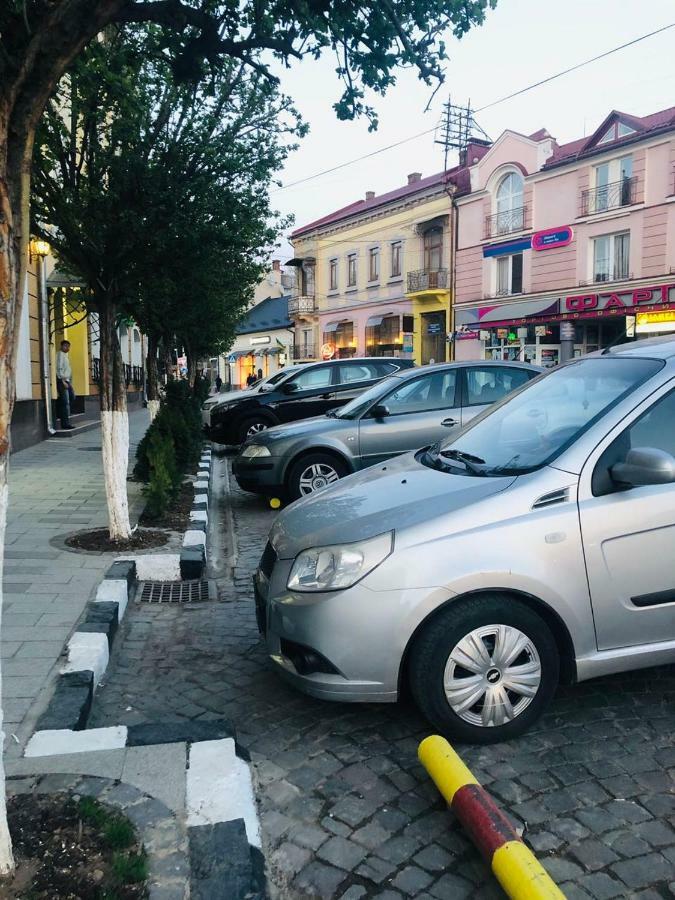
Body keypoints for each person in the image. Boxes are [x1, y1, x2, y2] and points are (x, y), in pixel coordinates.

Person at [56, 339, 75, 430]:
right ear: (61, 346)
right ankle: (65, 423)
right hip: (62, 380)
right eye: (65, 346)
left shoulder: (65, 355)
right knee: (65, 402)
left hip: (66, 380)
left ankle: (60, 412)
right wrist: (62, 380)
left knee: (71, 397)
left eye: (68, 346)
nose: (67, 348)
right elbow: (58, 368)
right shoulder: (60, 355)